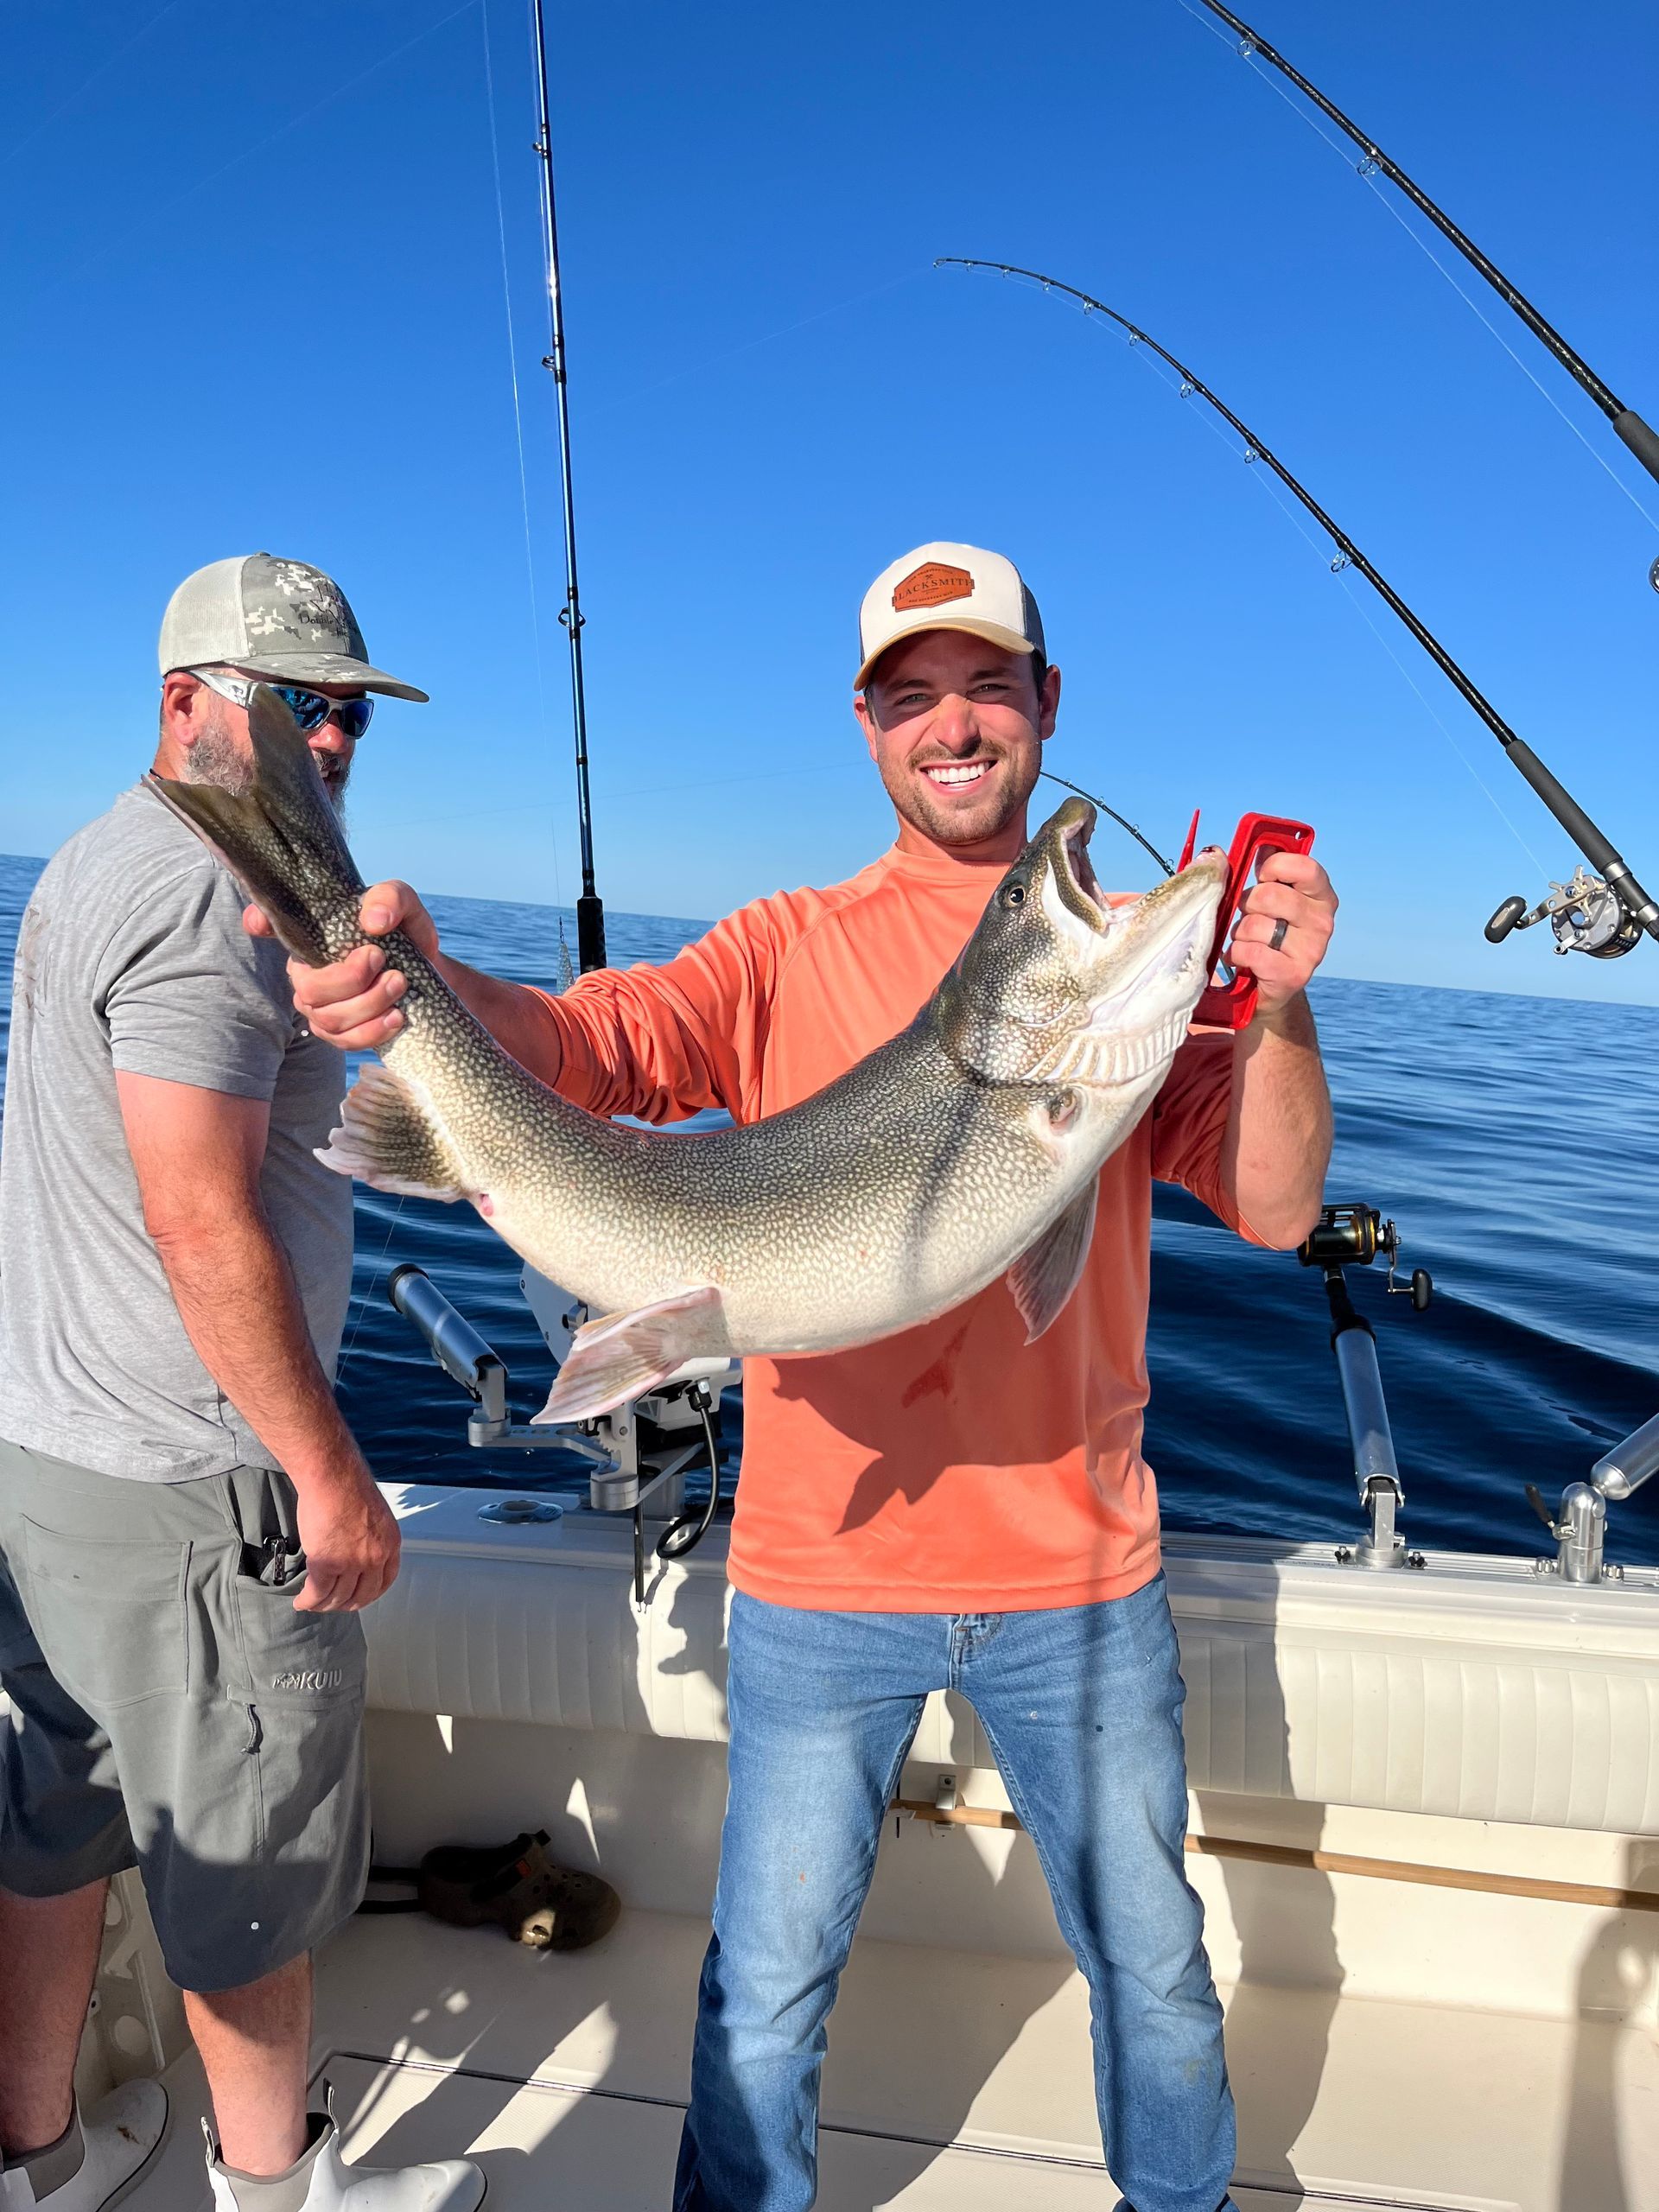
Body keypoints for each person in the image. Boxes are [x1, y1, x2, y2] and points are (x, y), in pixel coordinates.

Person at [280, 541, 1338, 2212]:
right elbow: (606, 1047)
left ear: (1046, 704)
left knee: (1158, 1975)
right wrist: (430, 990)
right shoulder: (787, 942)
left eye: (988, 686)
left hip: (1078, 1579)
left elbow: (1277, 1212)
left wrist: (1275, 1013)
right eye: (913, 697)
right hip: (818, 1577)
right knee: (761, 2006)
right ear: (867, 726)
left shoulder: (1135, 1026)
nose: (955, 726)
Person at [0, 556, 484, 2212]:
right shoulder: (220, 888)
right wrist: (329, 1473)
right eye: (299, 704)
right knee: (248, 1891)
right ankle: (281, 2197)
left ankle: (39, 2159)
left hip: (48, 1463)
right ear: (186, 699)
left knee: (53, 1828)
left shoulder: (88, 858)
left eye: (350, 709)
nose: (333, 739)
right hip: (201, 1493)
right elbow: (199, 1216)